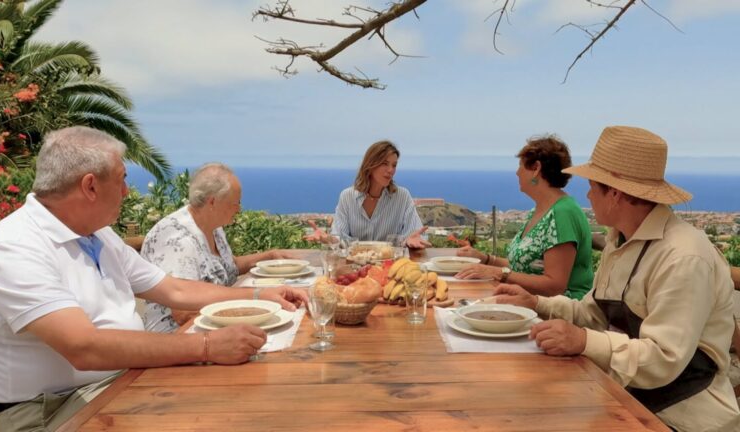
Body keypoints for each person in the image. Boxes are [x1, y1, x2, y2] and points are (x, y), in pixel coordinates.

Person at [0, 126, 307, 432]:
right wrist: (206, 346)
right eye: (121, 179)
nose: (127, 191)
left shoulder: (98, 236)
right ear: (90, 186)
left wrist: (257, 297)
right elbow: (84, 348)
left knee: (241, 402)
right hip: (51, 412)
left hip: (121, 381)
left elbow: (172, 289)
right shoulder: (13, 248)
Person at [494, 126, 740, 431]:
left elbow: (663, 358)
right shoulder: (621, 240)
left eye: (592, 186)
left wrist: (582, 341)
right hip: (625, 398)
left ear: (615, 193)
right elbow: (593, 312)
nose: (586, 194)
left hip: (682, 418)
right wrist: (536, 303)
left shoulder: (683, 257)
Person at [141, 162, 295, 332]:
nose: (239, 210)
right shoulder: (178, 239)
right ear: (213, 202)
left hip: (214, 324)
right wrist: (251, 306)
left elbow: (229, 266)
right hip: (177, 337)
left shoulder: (213, 226)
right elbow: (183, 313)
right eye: (235, 203)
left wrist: (269, 256)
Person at [456, 135, 593, 299]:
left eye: (520, 165)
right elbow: (524, 268)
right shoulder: (541, 210)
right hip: (530, 305)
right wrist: (484, 258)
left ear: (536, 168)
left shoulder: (563, 213)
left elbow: (554, 286)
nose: (517, 172)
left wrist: (499, 273)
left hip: (556, 315)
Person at [307, 140, 430, 249]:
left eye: (394, 165)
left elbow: (416, 235)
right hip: (355, 269)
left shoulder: (402, 196)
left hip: (390, 268)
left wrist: (410, 240)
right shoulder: (347, 197)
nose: (391, 170)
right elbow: (339, 239)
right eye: (385, 163)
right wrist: (327, 238)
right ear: (370, 165)